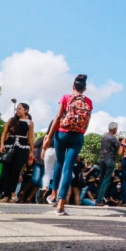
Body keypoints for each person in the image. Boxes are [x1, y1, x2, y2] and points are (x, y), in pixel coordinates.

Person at [42, 74, 92, 216]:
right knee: (68, 167)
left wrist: (48, 137)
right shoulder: (88, 101)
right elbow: (87, 121)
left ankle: (53, 195)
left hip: (62, 133)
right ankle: (61, 205)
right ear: (85, 89)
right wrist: (80, 132)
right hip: (78, 135)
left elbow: (57, 117)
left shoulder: (65, 97)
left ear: (73, 86)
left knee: (59, 162)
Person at [0, 103, 34, 203]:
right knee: (6, 171)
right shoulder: (11, 120)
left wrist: (32, 151)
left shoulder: (30, 122)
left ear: (26, 110)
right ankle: (6, 194)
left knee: (16, 171)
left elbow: (30, 137)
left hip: (22, 147)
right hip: (10, 145)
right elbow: (4, 132)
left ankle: (12, 192)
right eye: (17, 109)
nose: (17, 111)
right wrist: (1, 144)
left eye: (20, 109)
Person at [96, 122, 120, 205]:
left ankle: (97, 199)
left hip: (102, 160)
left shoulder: (104, 137)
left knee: (101, 179)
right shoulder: (114, 138)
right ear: (114, 129)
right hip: (110, 160)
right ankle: (99, 200)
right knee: (106, 180)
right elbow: (118, 147)